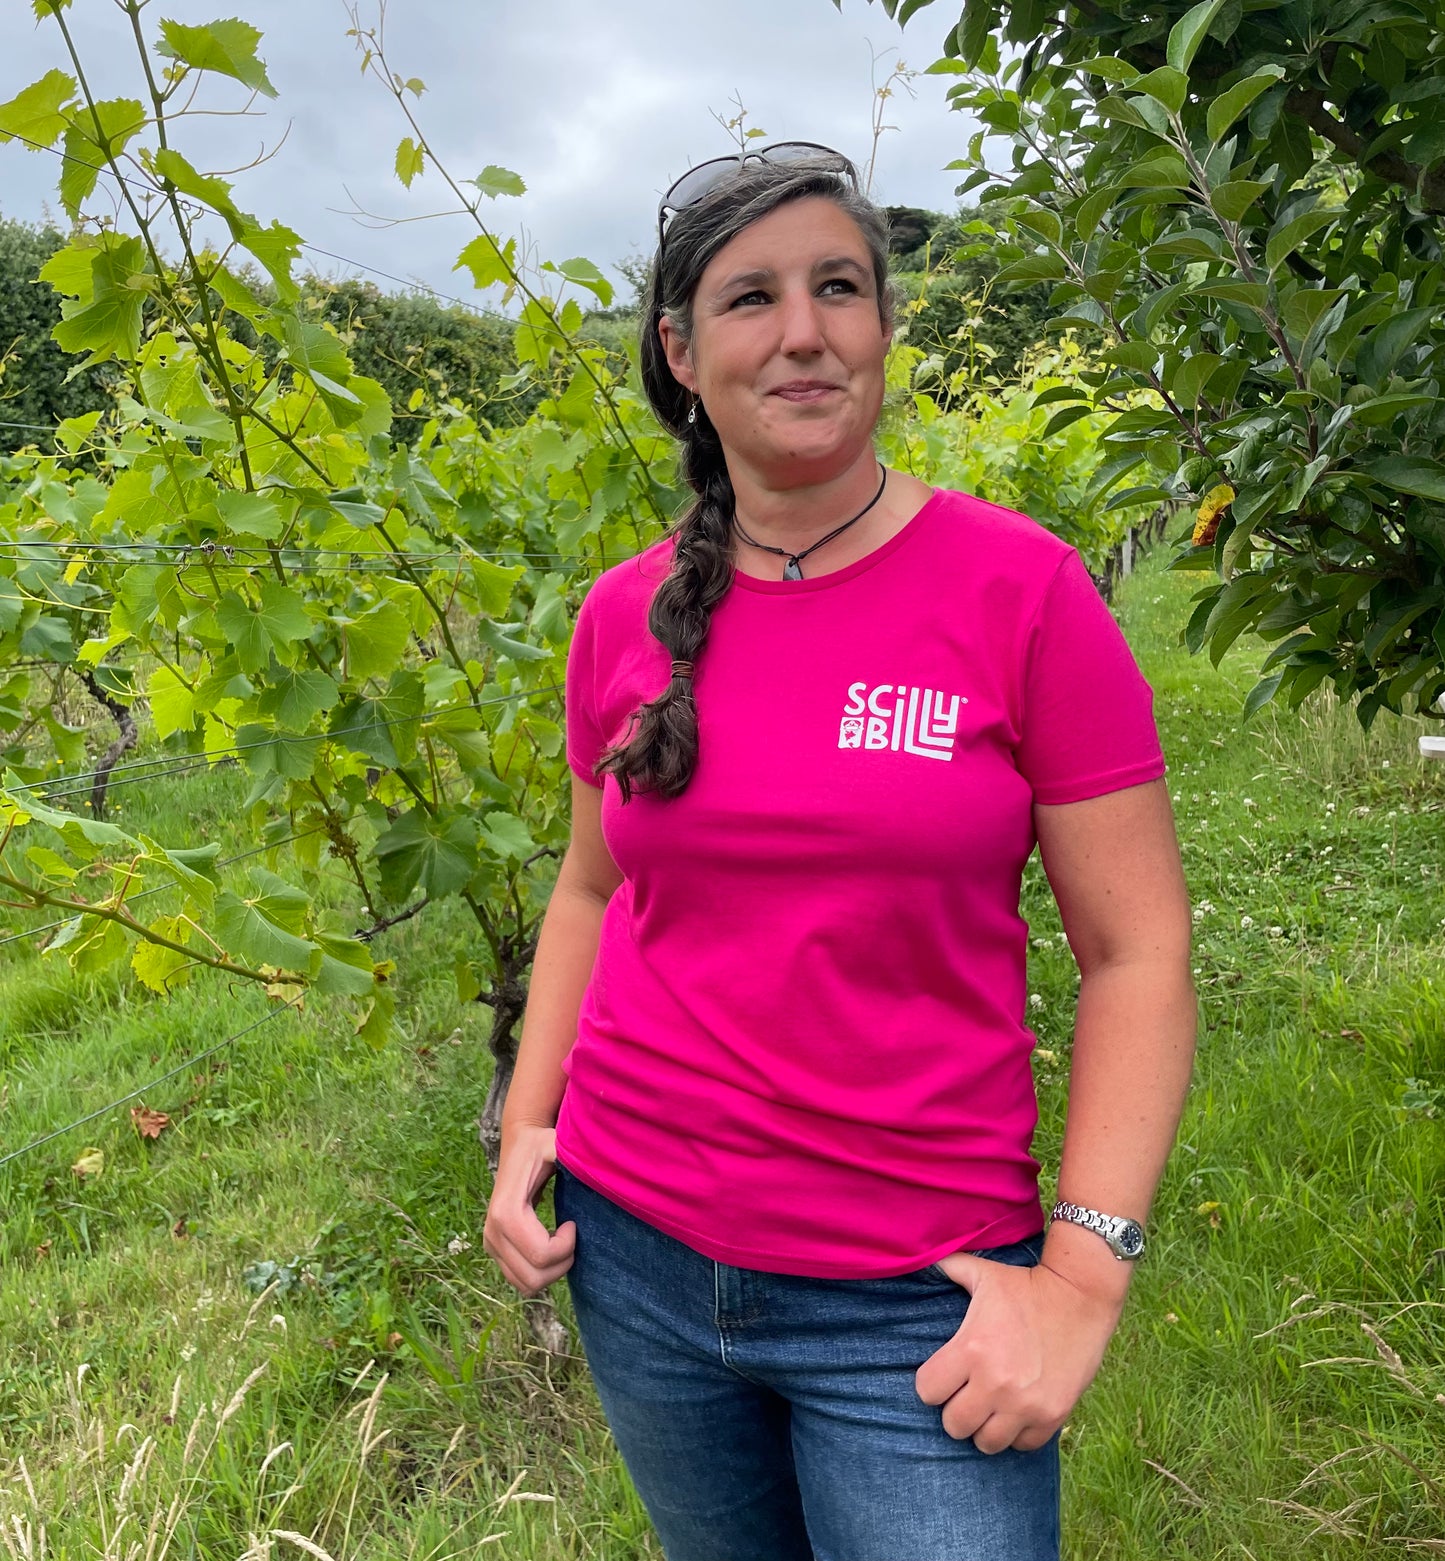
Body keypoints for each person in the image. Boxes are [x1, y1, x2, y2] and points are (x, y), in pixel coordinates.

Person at [483, 144, 1196, 1561]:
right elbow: (588, 887)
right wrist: (524, 1125)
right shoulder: (623, 616)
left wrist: (1082, 1277)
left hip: (918, 1290)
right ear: (682, 353)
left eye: (837, 288)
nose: (801, 330)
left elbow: (1138, 951)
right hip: (635, 1252)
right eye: (750, 298)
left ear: (881, 324)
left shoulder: (1022, 593)